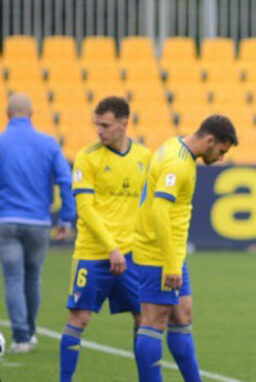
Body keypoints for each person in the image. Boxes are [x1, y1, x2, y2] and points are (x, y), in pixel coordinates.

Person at [133, 115, 237, 382]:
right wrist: (170, 263)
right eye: (222, 151)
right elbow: (159, 211)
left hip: (173, 252)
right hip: (159, 254)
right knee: (153, 321)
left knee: (182, 315)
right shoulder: (177, 164)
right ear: (210, 140)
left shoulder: (176, 146)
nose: (221, 158)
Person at [59, 97, 151, 382]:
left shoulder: (145, 158)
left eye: (105, 125)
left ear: (124, 123)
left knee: (143, 320)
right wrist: (111, 248)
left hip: (133, 253)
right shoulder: (87, 157)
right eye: (97, 124)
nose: (99, 131)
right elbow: (84, 209)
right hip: (93, 252)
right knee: (79, 318)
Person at [0, 93, 75, 353]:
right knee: (33, 278)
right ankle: (30, 333)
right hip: (38, 222)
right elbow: (66, 181)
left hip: (6, 220)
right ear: (32, 114)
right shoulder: (48, 143)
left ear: (8, 114)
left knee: (12, 278)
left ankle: (21, 337)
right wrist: (66, 217)